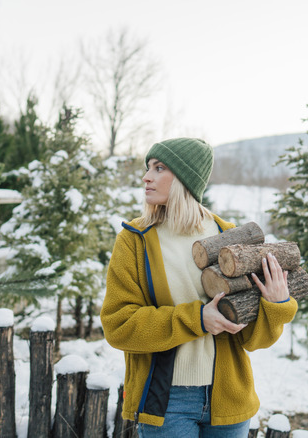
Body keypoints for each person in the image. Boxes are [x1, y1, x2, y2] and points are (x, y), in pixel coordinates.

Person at [100, 137, 297, 437]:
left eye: (159, 167)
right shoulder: (135, 240)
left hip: (227, 399)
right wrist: (197, 319)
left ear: (185, 179)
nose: (146, 176)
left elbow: (252, 340)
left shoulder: (229, 238)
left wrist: (276, 307)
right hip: (166, 402)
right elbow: (118, 325)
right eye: (148, 167)